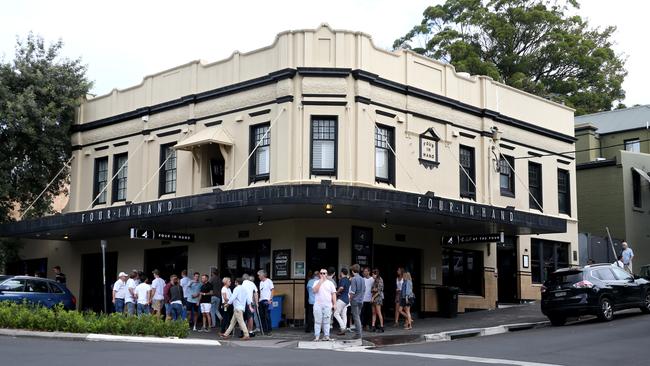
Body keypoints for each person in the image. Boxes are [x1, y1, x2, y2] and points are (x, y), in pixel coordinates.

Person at [312, 268, 337, 341]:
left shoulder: (330, 283)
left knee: (327, 321)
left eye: (324, 273)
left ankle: (326, 336)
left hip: (327, 305)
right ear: (319, 274)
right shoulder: (316, 282)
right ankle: (317, 336)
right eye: (321, 273)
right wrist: (320, 282)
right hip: (318, 305)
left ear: (326, 274)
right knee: (317, 321)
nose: (322, 275)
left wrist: (334, 304)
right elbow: (314, 290)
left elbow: (333, 294)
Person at [348, 264, 365, 339]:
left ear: (352, 271)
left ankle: (359, 334)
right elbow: (364, 289)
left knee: (356, 317)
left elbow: (352, 291)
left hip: (355, 300)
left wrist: (350, 299)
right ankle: (359, 333)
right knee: (358, 316)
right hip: (361, 300)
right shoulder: (362, 279)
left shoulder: (354, 279)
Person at [333, 268, 350, 335]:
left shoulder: (342, 279)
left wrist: (336, 293)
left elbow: (341, 288)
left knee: (336, 313)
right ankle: (343, 328)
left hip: (342, 299)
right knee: (343, 314)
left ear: (341, 273)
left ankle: (343, 327)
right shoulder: (348, 280)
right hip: (347, 299)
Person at [257, 270, 274, 335]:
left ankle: (269, 330)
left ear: (262, 275)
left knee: (267, 316)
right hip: (261, 300)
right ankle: (264, 330)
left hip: (267, 300)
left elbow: (272, 290)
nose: (258, 277)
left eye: (259, 275)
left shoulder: (269, 281)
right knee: (262, 316)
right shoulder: (261, 282)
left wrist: (270, 299)